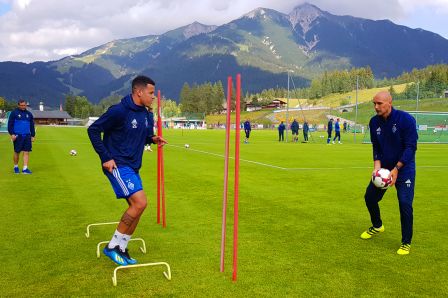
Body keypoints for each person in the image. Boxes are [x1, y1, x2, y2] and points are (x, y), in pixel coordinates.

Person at [88, 75, 167, 265]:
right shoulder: (119, 111)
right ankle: (112, 246)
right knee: (140, 203)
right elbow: (93, 130)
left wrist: (153, 139)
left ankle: (122, 248)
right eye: (150, 93)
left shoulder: (147, 114)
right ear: (139, 92)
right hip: (117, 165)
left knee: (137, 208)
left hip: (132, 166)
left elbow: (144, 135)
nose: (153, 97)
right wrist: (105, 157)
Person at [360, 91, 418, 255]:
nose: (376, 107)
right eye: (374, 104)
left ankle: (406, 242)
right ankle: (377, 225)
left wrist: (397, 169)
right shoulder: (374, 122)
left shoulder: (405, 120)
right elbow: (376, 146)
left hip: (404, 168)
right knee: (369, 198)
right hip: (384, 170)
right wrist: (376, 166)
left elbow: (411, 147)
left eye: (379, 103)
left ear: (389, 103)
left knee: (405, 204)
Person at [8, 99, 35, 174]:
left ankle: (25, 168)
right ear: (18, 105)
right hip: (17, 136)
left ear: (26, 105)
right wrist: (12, 134)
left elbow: (32, 125)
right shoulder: (14, 113)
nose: (23, 107)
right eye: (22, 105)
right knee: (17, 152)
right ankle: (16, 166)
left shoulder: (29, 114)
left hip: (27, 136)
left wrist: (33, 135)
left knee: (26, 152)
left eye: (24, 105)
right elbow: (10, 125)